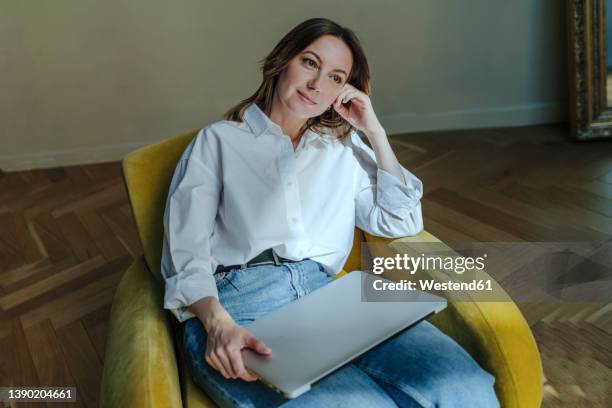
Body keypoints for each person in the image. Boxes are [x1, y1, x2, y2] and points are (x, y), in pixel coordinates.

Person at [161, 17, 499, 408]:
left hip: (331, 296)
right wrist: (218, 324)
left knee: (464, 387)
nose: (317, 84)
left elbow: (400, 219)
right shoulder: (218, 141)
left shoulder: (342, 147)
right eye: (309, 63)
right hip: (240, 303)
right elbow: (184, 251)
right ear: (281, 61)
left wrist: (374, 132)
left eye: (336, 77)